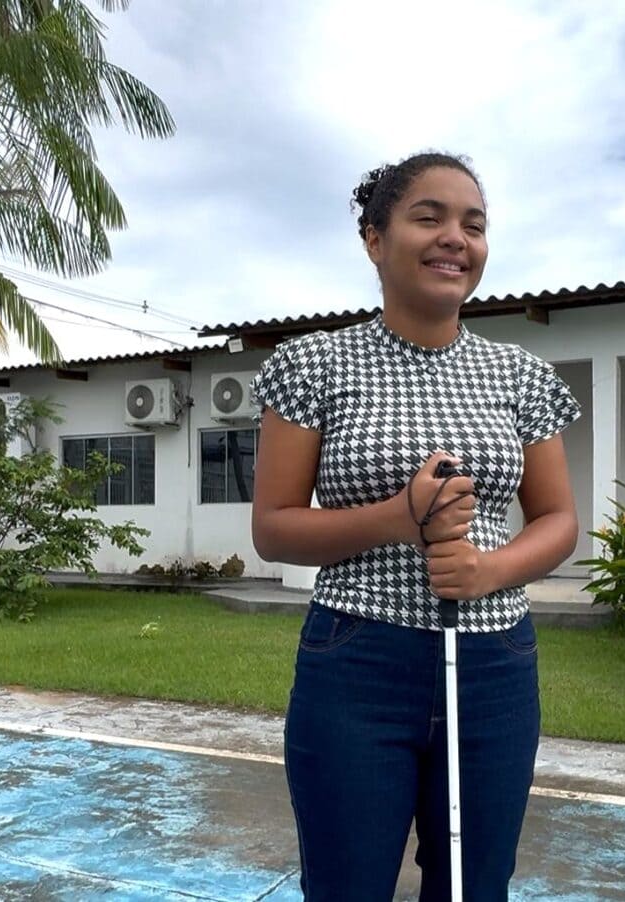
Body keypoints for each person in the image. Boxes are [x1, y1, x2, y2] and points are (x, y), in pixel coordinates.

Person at [249, 152, 580, 901]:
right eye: (428, 217)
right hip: (357, 660)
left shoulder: (520, 376)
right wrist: (400, 519)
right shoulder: (317, 365)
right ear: (374, 239)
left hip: (495, 664)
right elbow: (274, 528)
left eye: (474, 224)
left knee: (473, 885)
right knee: (346, 884)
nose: (454, 238)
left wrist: (488, 571)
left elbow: (559, 521)